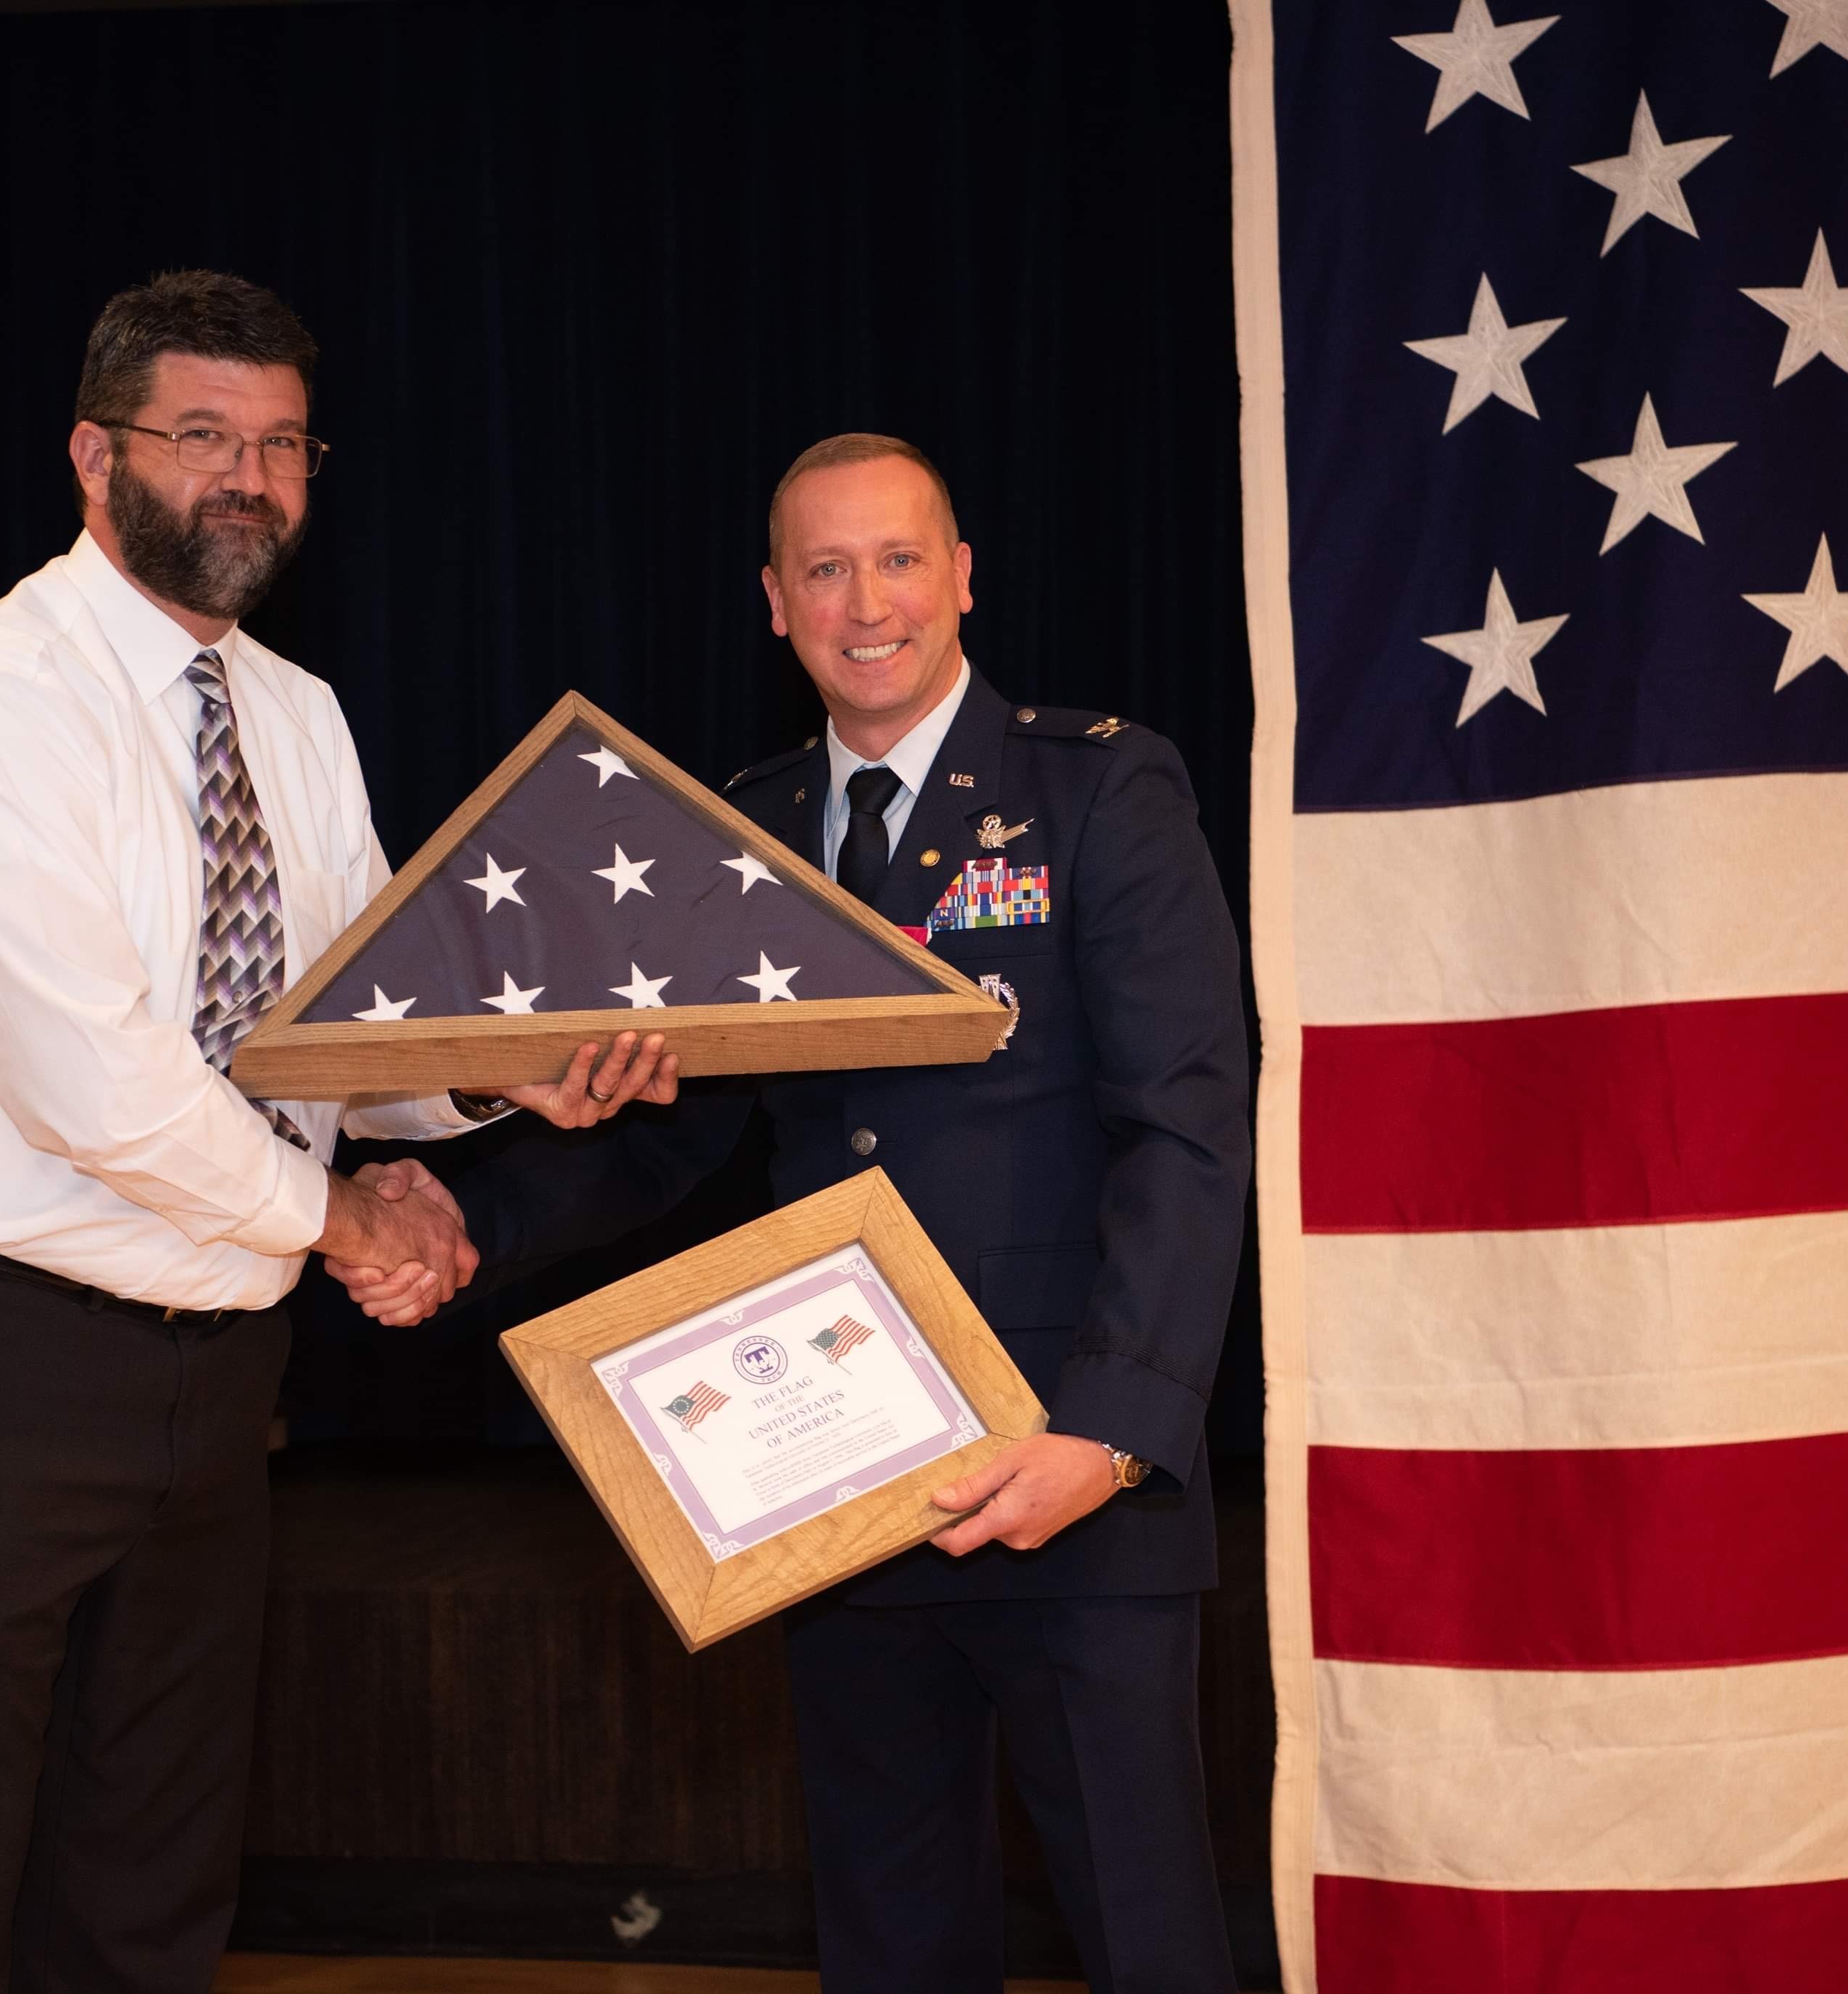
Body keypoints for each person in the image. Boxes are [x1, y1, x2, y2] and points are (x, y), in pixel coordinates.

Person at [0, 269, 675, 1993]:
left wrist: (500, 1080)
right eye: (201, 437)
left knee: (147, 1901)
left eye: (280, 444)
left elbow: (329, 1044)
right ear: (92, 454)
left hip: (213, 1383)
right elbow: (98, 1085)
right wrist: (348, 1221)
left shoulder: (293, 712)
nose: (246, 481)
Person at [336, 434, 1250, 1993]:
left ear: (963, 576)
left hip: (1068, 1474)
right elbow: (663, 1136)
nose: (864, 600)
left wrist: (1106, 1433)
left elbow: (1183, 1122)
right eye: (822, 568)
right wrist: (467, 1228)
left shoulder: (1099, 785)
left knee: (1147, 1935)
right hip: (843, 1475)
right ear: (773, 603)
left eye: (897, 558)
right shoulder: (741, 830)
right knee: (888, 1937)